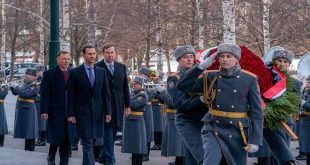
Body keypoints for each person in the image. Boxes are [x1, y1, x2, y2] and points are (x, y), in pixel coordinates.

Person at [177, 43, 264, 165]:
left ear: (237, 59)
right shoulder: (211, 76)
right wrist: (200, 67)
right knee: (210, 161)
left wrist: (255, 139)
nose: (224, 59)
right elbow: (182, 86)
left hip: (236, 130)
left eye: (229, 56)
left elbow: (257, 111)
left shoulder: (249, 79)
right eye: (221, 56)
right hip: (213, 127)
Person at [68, 45, 112, 165]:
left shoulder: (101, 71)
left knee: (93, 141)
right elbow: (70, 95)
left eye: (93, 54)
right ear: (84, 55)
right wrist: (71, 114)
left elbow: (106, 93)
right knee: (87, 142)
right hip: (82, 113)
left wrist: (108, 112)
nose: (92, 56)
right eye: (89, 54)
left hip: (98, 113)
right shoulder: (76, 72)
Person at [161, 45, 205, 165]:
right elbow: (180, 104)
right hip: (188, 119)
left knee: (193, 156)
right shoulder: (174, 78)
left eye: (191, 56)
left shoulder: (202, 75)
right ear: (179, 60)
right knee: (200, 155)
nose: (189, 59)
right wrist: (201, 100)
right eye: (185, 57)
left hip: (204, 119)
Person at [262, 49, 301, 165]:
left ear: (289, 64)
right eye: (279, 60)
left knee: (283, 151)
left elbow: (296, 104)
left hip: (286, 122)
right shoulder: (266, 78)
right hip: (269, 121)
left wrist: (286, 109)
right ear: (274, 61)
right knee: (277, 152)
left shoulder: (295, 83)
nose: (282, 64)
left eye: (285, 61)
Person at [96, 43, 131, 165]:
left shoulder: (121, 67)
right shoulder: (97, 67)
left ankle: (101, 157)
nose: (110, 55)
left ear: (115, 53)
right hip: (104, 107)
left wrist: (128, 104)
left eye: (112, 52)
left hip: (118, 106)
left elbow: (125, 87)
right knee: (108, 136)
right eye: (107, 52)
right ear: (103, 53)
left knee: (114, 132)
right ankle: (111, 160)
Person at [40, 51, 72, 165]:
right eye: (63, 59)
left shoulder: (72, 73)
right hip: (55, 112)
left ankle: (64, 160)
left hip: (69, 112)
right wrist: (44, 111)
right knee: (56, 137)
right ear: (58, 60)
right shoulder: (49, 74)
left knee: (67, 137)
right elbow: (44, 94)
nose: (66, 61)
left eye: (68, 59)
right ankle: (51, 157)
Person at [10, 68, 39, 151]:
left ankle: (30, 149)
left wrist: (17, 87)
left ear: (34, 76)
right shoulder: (26, 83)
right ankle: (27, 149)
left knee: (30, 130)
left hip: (29, 110)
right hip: (23, 109)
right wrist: (13, 87)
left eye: (29, 75)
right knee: (26, 130)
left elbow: (25, 94)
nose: (27, 76)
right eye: (27, 74)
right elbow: (17, 93)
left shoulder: (34, 85)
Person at [121, 76, 148, 165]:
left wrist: (125, 99)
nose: (134, 85)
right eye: (133, 84)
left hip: (137, 122)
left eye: (136, 84)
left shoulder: (142, 94)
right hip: (131, 121)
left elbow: (133, 104)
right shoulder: (133, 94)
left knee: (138, 146)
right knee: (133, 146)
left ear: (140, 85)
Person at [138, 67, 155, 161]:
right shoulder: (139, 82)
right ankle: (139, 153)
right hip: (139, 108)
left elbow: (149, 96)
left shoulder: (149, 84)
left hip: (146, 108)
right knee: (139, 131)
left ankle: (145, 154)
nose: (139, 74)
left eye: (140, 73)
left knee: (147, 131)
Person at [150, 72, 164, 151]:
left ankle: (159, 144)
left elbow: (160, 95)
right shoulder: (155, 83)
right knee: (156, 126)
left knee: (158, 126)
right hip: (154, 106)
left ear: (159, 77)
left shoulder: (159, 84)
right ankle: (157, 143)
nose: (153, 77)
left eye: (155, 76)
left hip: (158, 106)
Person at [34, 65, 47, 146]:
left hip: (41, 101)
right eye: (37, 71)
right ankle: (39, 138)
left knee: (42, 122)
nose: (37, 72)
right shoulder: (38, 79)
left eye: (39, 71)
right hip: (37, 101)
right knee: (39, 122)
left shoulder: (43, 79)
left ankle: (42, 140)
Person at [300, 75, 310, 165]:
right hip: (306, 121)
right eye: (307, 82)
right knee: (307, 149)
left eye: (309, 82)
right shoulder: (307, 92)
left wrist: (303, 103)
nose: (308, 84)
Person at [0, 70, 8, 147]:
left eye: (1, 77)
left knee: (1, 125)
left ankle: (1, 143)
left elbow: (1, 94)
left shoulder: (4, 85)